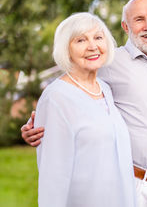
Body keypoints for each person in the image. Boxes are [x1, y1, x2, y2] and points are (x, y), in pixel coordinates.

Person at [21, 0, 147, 207]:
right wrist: (36, 126)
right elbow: (70, 88)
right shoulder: (109, 63)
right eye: (139, 19)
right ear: (125, 26)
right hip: (135, 185)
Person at [34, 12, 135, 207]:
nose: (92, 46)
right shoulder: (56, 98)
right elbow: (53, 177)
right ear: (66, 49)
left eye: (98, 37)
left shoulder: (104, 89)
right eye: (81, 40)